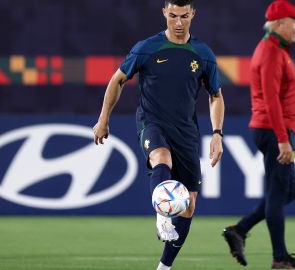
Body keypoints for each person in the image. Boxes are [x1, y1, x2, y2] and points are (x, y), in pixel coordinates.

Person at [93, 0, 225, 269]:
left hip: (186, 132)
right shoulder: (147, 48)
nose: (178, 23)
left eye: (184, 16)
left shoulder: (203, 53)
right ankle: (162, 215)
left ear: (193, 15)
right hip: (152, 122)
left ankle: (164, 266)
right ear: (164, 12)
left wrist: (217, 133)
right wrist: (103, 118)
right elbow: (117, 79)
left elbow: (215, 96)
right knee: (161, 157)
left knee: (188, 206)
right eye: (173, 15)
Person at [222, 0, 295, 269]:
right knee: (277, 194)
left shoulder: (276, 49)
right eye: (294, 21)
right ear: (278, 23)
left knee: (289, 190)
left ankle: (239, 230)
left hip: (273, 128)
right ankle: (280, 258)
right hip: (274, 129)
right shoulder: (272, 52)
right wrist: (283, 139)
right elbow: (272, 100)